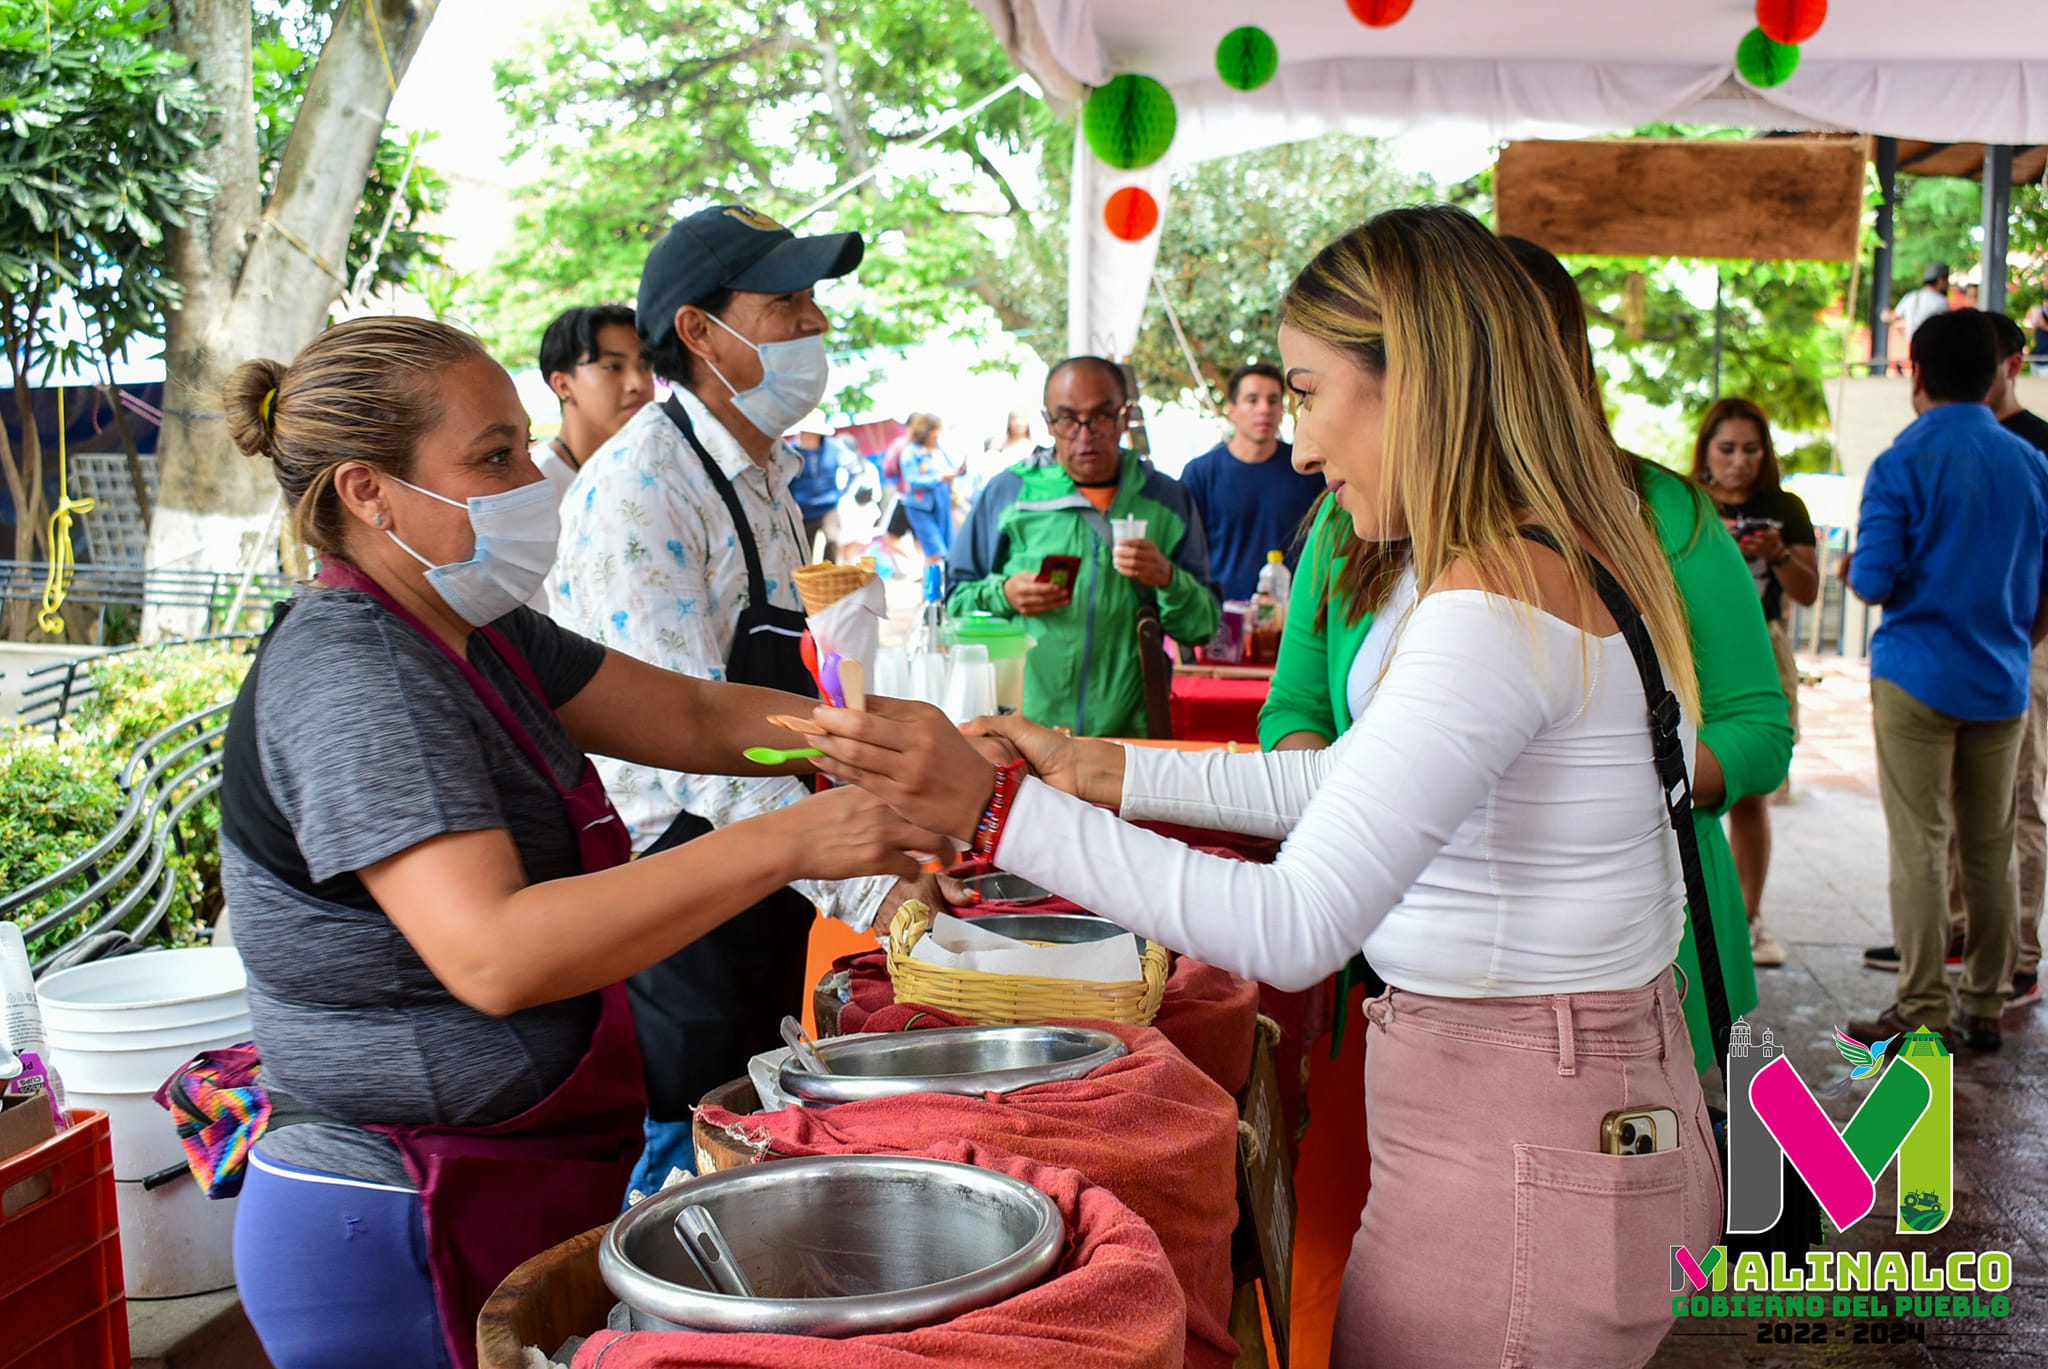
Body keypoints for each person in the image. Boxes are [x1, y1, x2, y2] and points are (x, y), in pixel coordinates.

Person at [803, 206, 1721, 1368]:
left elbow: (1291, 927)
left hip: (1521, 1155)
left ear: (1416, 384)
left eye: (1305, 391)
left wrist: (995, 815)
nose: (1297, 447)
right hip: (1548, 1123)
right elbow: (1350, 784)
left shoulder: (1491, 602)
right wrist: (1094, 767)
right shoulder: (1536, 561)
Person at [214, 316, 936, 1369]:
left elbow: (691, 719)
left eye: (520, 445)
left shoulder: (482, 629)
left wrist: (896, 744)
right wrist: (799, 837)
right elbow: (498, 953)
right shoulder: (356, 674)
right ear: (367, 490)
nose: (529, 479)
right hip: (402, 1212)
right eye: (492, 457)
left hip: (519, 1173)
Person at [1261, 234, 1788, 1075]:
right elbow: (1295, 708)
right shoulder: (1353, 520)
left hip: (1626, 976)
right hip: (1419, 966)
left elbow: (1759, 727)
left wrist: (1617, 768)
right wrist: (1354, 803)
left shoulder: (1663, 515)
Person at [549, 204, 933, 1194]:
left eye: (813, 300)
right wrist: (869, 885)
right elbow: (681, 730)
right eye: (785, 303)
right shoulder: (641, 488)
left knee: (762, 1136)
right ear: (698, 332)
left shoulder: (763, 472)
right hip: (675, 879)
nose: (814, 325)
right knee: (693, 1160)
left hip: (765, 869)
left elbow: (772, 696)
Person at [1845, 308, 2048, 1054]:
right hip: (2002, 680)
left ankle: (1924, 1002)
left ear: (1917, 375)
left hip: (1917, 679)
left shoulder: (1902, 461)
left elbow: (1872, 579)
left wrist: (1848, 567)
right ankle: (1987, 1003)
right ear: (1996, 371)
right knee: (1990, 844)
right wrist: (2013, 643)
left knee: (1922, 843)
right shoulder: (2031, 461)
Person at [946, 357, 1220, 737]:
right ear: (1047, 422)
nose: (1085, 435)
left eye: (1101, 417)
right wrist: (1004, 594)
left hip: (1129, 742)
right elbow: (952, 604)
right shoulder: (1009, 494)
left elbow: (1203, 627)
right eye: (1067, 419)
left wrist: (1168, 579)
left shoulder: (1167, 499)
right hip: (1023, 735)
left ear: (1124, 417)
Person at [1690, 397, 1818, 968]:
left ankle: (1746, 916)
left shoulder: (1784, 507)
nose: (1738, 461)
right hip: (1690, 651)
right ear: (1706, 452)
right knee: (1685, 784)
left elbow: (1809, 589)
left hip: (1761, 648)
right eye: (1727, 449)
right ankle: (1693, 919)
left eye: (1750, 449)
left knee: (1749, 789)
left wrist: (1780, 553)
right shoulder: (1683, 501)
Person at [529, 305, 654, 610]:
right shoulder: (536, 488)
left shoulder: (653, 473)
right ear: (562, 384)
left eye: (646, 365)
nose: (638, 383)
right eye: (613, 367)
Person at [1179, 362, 1325, 601]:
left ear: (1282, 409)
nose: (1264, 409)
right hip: (1221, 618)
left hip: (1290, 616)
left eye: (1273, 400)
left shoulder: (1307, 468)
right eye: (1252, 400)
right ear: (1232, 409)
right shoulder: (1200, 474)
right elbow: (1185, 556)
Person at [788, 409, 859, 562]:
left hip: (829, 508)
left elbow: (855, 469)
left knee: (832, 548)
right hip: (803, 511)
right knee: (804, 552)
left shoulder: (834, 448)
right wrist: (792, 503)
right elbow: (783, 482)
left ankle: (831, 581)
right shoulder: (789, 453)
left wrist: (842, 493)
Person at [899, 411, 960, 563]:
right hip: (922, 508)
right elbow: (912, 481)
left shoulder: (940, 450)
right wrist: (939, 478)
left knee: (947, 552)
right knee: (935, 553)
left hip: (943, 505)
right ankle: (930, 587)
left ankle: (935, 585)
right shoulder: (910, 453)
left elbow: (952, 468)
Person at [1890, 261, 1952, 342]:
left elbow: (1894, 315)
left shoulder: (1911, 296)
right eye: (1946, 280)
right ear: (1940, 280)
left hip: (1914, 347)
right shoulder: (1942, 302)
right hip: (1934, 347)